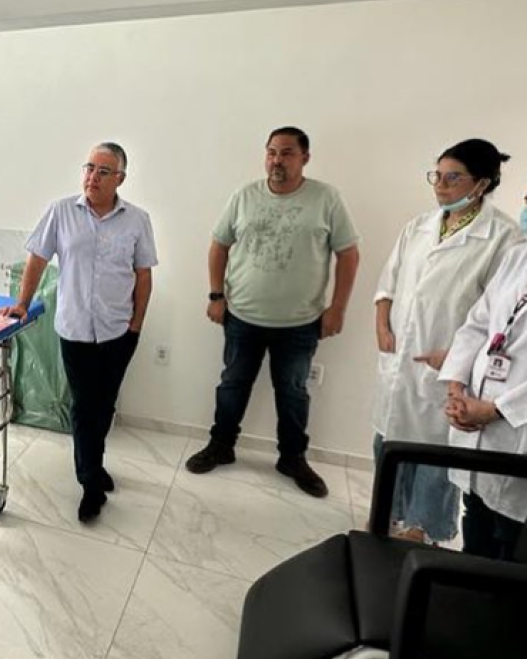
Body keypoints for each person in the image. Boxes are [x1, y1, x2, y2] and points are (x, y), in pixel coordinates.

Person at [185, 127, 360, 498]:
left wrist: (337, 308)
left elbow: (348, 254)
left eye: (287, 153)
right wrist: (216, 295)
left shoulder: (326, 199)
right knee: (232, 385)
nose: (277, 160)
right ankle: (221, 446)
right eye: (271, 152)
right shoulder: (244, 196)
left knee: (293, 393)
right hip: (242, 316)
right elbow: (219, 245)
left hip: (300, 322)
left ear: (304, 158)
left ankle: (292, 459)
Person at [373, 140, 521, 544]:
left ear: (482, 184)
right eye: (436, 175)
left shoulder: (502, 237)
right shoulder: (418, 226)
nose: (440, 185)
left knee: (436, 451)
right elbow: (388, 282)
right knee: (389, 439)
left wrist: (457, 359)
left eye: (452, 178)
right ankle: (386, 518)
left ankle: (422, 530)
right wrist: (382, 325)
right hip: (399, 360)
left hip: (451, 369)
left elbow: (497, 316)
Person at [3, 142, 157, 523]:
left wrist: (136, 326)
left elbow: (143, 276)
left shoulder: (137, 220)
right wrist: (22, 303)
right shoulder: (61, 212)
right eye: (89, 168)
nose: (93, 177)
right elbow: (37, 259)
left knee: (104, 405)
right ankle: (90, 483)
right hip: (74, 330)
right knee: (85, 406)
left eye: (103, 171)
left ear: (120, 178)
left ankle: (95, 464)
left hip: (118, 331)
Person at [440, 222, 527, 560]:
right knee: (475, 522)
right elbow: (477, 324)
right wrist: (456, 388)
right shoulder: (518, 257)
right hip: (476, 422)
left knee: (509, 545)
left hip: (515, 429)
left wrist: (496, 409)